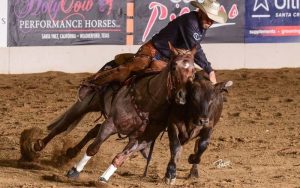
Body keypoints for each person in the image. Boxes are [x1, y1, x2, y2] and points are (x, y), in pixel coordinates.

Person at [83, 0, 227, 90]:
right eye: (209, 17)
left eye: (213, 19)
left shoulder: (201, 25)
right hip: (153, 51)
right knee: (127, 70)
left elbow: (194, 47)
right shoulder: (190, 22)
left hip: (168, 59)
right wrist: (209, 69)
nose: (210, 21)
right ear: (201, 12)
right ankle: (92, 82)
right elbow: (195, 48)